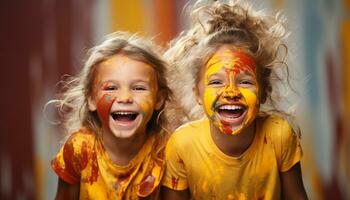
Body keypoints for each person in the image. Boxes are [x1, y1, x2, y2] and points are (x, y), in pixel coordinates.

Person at [161, 0, 308, 199]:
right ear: (197, 93)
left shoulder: (278, 136)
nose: (231, 92)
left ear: (264, 91)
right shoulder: (183, 146)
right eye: (216, 82)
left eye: (245, 82)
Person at [50, 32, 172, 199]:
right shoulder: (79, 149)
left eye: (138, 88)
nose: (124, 98)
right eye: (111, 88)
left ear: (159, 99)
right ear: (91, 99)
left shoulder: (168, 153)